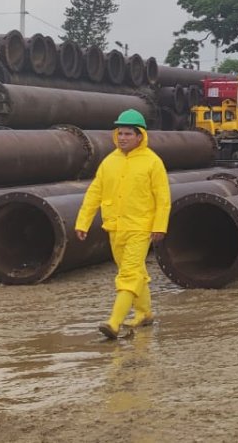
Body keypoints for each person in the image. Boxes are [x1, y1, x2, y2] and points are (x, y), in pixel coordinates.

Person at [75, 109, 171, 340]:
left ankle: (114, 322)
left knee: (128, 275)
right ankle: (144, 313)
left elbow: (163, 198)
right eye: (120, 132)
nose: (123, 137)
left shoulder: (152, 162)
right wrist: (83, 222)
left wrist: (160, 226)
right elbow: (94, 193)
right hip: (115, 227)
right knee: (135, 272)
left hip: (140, 227)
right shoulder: (109, 161)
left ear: (140, 136)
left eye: (128, 133)